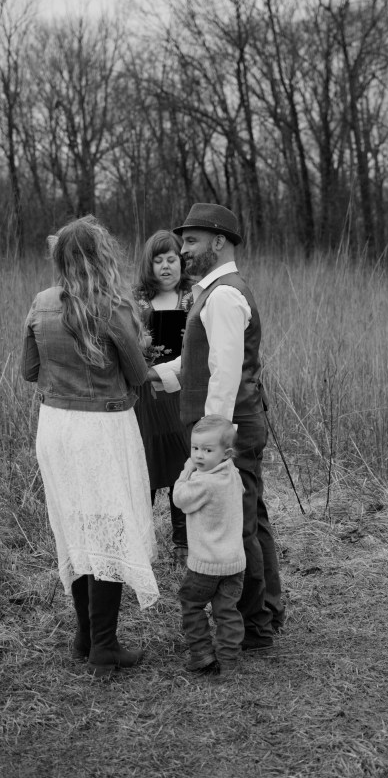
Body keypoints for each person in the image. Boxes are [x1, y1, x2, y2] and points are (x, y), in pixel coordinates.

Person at [21, 215, 160, 678]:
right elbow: (138, 374)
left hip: (55, 427)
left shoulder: (42, 303)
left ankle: (85, 636)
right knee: (109, 528)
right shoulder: (112, 307)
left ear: (60, 258)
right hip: (102, 429)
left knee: (77, 527)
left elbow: (28, 371)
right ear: (102, 256)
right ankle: (104, 645)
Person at [173, 202, 285, 652]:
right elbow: (199, 362)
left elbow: (225, 373)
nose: (183, 249)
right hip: (235, 427)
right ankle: (265, 613)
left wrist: (213, 442)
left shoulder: (222, 295)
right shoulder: (216, 292)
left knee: (240, 527)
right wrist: (153, 376)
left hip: (229, 432)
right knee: (251, 517)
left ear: (218, 242)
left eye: (191, 240)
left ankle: (255, 626)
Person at [133, 230, 193, 567]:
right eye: (159, 261)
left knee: (182, 462)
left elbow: (199, 349)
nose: (166, 266)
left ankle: (183, 540)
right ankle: (142, 542)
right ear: (149, 265)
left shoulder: (192, 298)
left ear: (181, 262)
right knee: (145, 462)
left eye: (172, 259)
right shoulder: (136, 301)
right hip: (144, 396)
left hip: (181, 392)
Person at [173, 415, 245, 676]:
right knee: (227, 612)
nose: (199, 456)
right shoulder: (232, 473)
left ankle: (202, 653)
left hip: (205, 564)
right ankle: (229, 660)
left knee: (191, 604)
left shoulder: (203, 482)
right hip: (234, 562)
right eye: (195, 448)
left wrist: (185, 473)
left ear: (226, 453)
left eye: (207, 450)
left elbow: (180, 499)